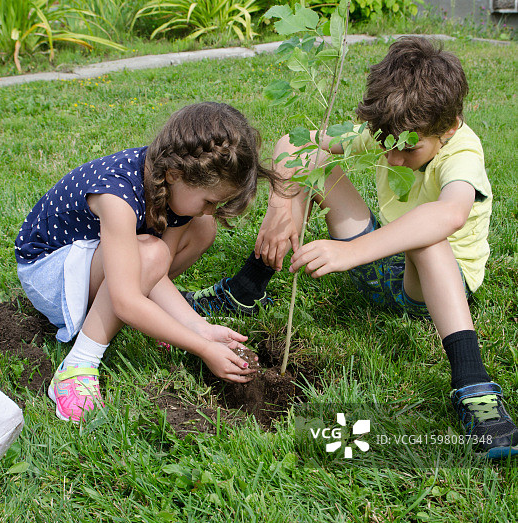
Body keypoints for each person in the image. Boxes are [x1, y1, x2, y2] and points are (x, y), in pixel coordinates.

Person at [182, 38, 518, 459]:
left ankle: (474, 387)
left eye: (408, 149)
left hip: (435, 286)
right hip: (383, 262)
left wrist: (350, 253)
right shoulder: (390, 133)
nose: (393, 159)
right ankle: (246, 289)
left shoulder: (461, 150)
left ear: (448, 128)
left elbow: (448, 215)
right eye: (385, 145)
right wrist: (281, 205)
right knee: (312, 161)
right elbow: (294, 142)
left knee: (428, 234)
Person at [15, 102, 281, 424]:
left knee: (202, 228)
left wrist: (199, 328)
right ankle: (78, 366)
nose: (211, 209)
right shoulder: (116, 196)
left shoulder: (171, 184)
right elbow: (127, 298)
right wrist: (202, 348)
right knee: (151, 254)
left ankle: (150, 318)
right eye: (209, 200)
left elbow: (156, 274)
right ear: (175, 174)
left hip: (92, 263)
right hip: (50, 277)